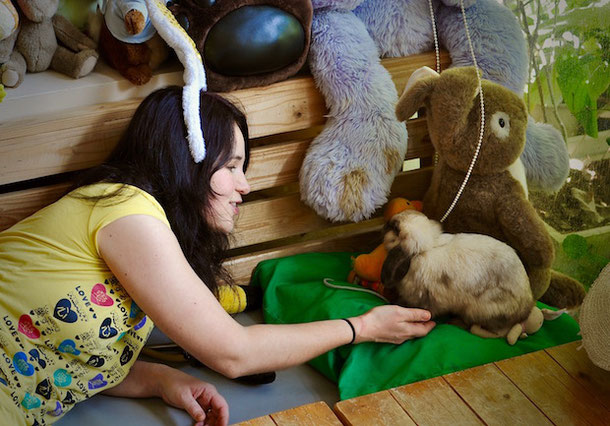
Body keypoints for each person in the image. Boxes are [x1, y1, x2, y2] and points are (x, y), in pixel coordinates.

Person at [0, 86, 437, 426]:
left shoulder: (146, 234)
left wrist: (160, 379)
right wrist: (361, 327)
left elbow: (62, 356)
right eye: (231, 167)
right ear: (185, 161)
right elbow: (235, 352)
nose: (244, 185)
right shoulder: (125, 209)